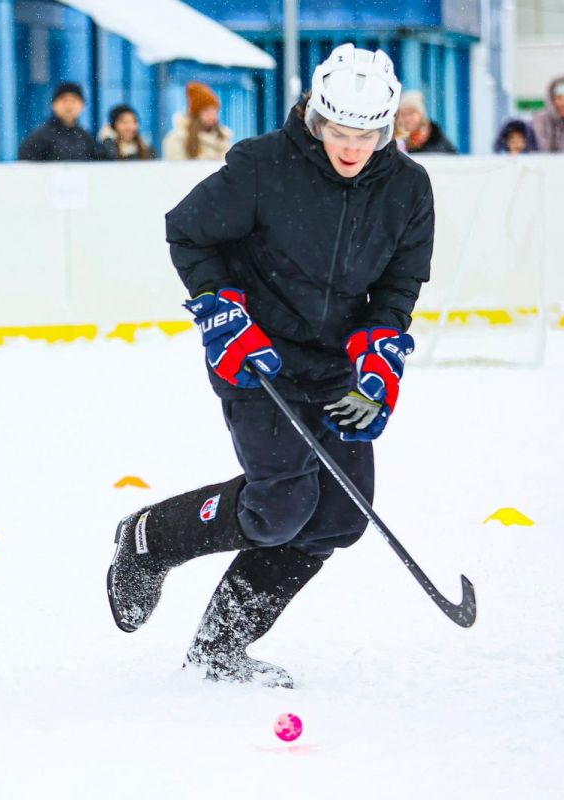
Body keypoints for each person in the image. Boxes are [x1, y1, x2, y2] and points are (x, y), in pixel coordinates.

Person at [107, 44, 433, 688]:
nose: (351, 147)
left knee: (338, 517)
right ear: (315, 116)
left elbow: (399, 287)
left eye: (367, 133)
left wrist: (380, 359)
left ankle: (222, 647)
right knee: (278, 509)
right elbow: (188, 233)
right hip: (255, 355)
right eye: (339, 131)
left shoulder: (407, 189)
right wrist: (221, 313)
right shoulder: (262, 166)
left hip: (337, 368)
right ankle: (149, 539)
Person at [18, 82, 103, 162]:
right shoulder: (39, 137)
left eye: (73, 100)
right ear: (53, 105)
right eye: (64, 100)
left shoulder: (86, 137)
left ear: (82, 105)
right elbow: (26, 169)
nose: (69, 106)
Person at [162, 82, 232, 161]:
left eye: (215, 111)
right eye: (206, 111)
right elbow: (176, 170)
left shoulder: (223, 138)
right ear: (196, 115)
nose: (212, 116)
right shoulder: (177, 139)